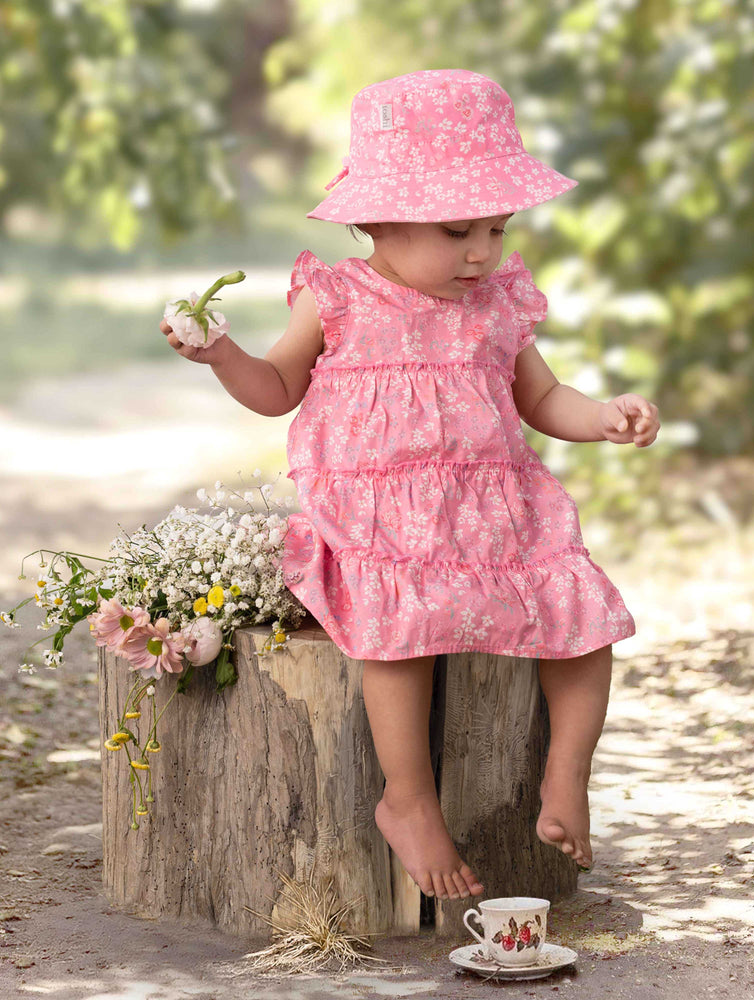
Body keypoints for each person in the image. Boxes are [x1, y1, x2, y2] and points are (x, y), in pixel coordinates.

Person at [160, 69, 660, 903]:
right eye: (458, 229)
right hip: (383, 521)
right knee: (401, 633)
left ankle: (567, 776)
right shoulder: (338, 298)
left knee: (582, 619)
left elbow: (541, 398)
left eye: (497, 228)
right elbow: (276, 390)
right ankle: (409, 797)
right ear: (378, 219)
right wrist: (222, 355)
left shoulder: (497, 303)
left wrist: (604, 415)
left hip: (498, 512)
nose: (482, 251)